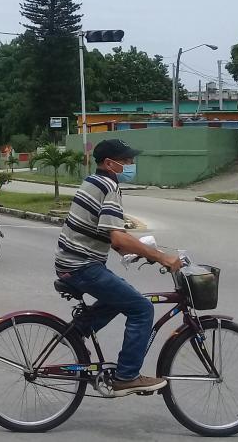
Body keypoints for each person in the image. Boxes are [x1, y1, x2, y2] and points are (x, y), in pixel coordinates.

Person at [55, 139, 182, 397]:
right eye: (125, 160)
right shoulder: (109, 186)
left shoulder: (93, 182)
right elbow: (117, 237)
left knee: (120, 297)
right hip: (81, 266)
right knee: (141, 308)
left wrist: (137, 250)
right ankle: (127, 376)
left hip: (72, 261)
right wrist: (160, 257)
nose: (130, 164)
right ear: (109, 163)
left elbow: (107, 234)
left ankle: (76, 333)